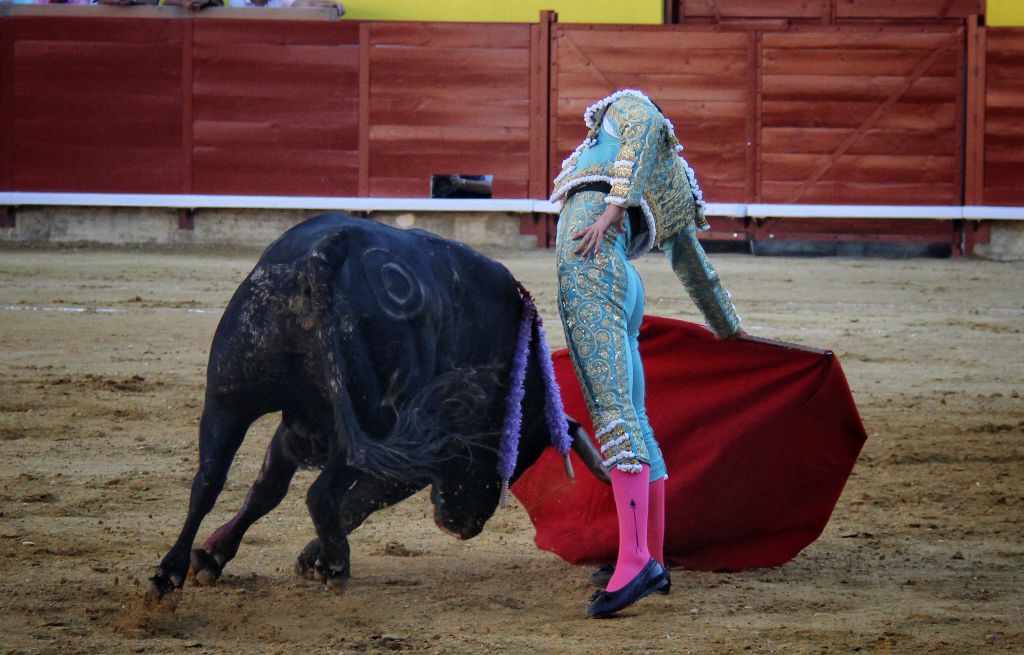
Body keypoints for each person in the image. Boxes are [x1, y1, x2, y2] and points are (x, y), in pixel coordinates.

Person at [550, 89, 743, 618]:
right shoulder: (674, 179)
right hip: (623, 279)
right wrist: (730, 331)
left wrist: (612, 209)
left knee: (614, 417)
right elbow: (694, 268)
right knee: (634, 418)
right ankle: (650, 557)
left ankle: (636, 562)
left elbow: (642, 125)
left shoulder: (628, 107)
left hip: (591, 266)